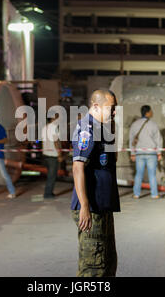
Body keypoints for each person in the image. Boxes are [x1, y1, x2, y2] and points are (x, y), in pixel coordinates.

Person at [71, 88, 119, 277]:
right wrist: (84, 205)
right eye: (111, 108)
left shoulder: (102, 127)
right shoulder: (86, 129)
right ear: (96, 106)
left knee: (107, 262)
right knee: (93, 267)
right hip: (91, 208)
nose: (114, 112)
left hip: (102, 206)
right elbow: (77, 167)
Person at [129, 105, 163, 199]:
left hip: (139, 153)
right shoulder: (153, 124)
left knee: (139, 174)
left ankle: (136, 194)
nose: (152, 113)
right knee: (152, 174)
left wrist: (132, 153)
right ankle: (154, 194)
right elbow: (158, 139)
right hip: (151, 153)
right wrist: (159, 152)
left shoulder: (135, 124)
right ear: (147, 112)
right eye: (151, 111)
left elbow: (131, 139)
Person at [42, 115, 64, 199]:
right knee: (52, 176)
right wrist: (59, 155)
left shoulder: (45, 127)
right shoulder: (54, 127)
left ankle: (48, 192)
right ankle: (48, 194)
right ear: (52, 118)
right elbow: (55, 141)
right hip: (53, 155)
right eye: (56, 117)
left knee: (49, 175)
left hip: (46, 154)